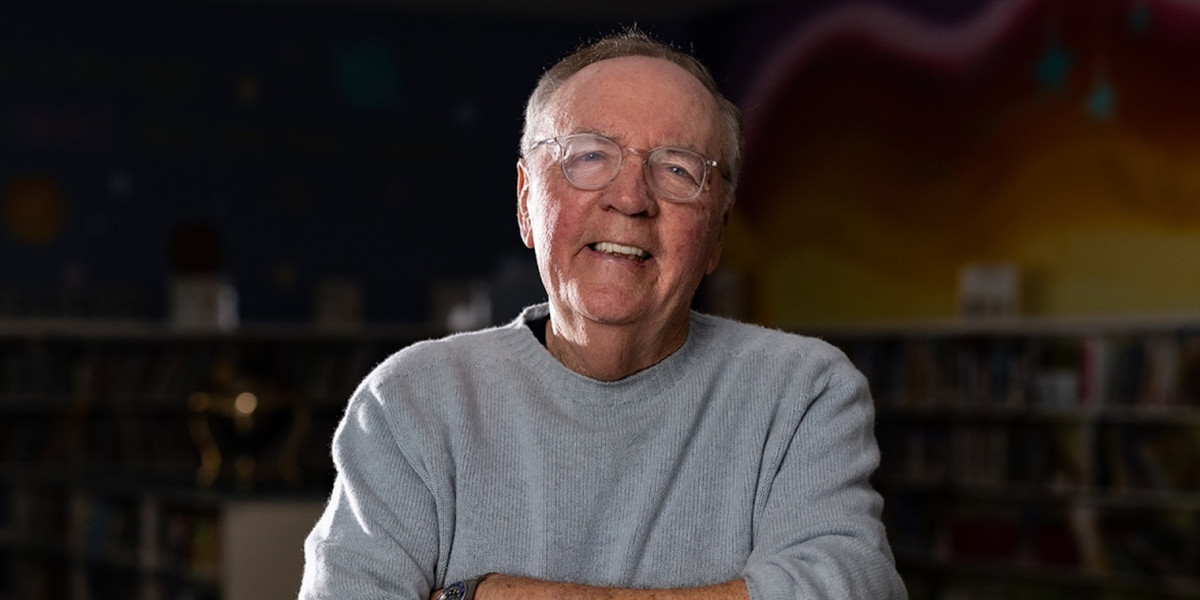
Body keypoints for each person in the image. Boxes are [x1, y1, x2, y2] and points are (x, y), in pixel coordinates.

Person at [300, 29, 906, 600]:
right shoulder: (411, 400)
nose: (631, 199)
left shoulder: (804, 393)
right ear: (525, 203)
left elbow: (852, 586)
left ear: (718, 232)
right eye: (589, 156)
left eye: (677, 169)